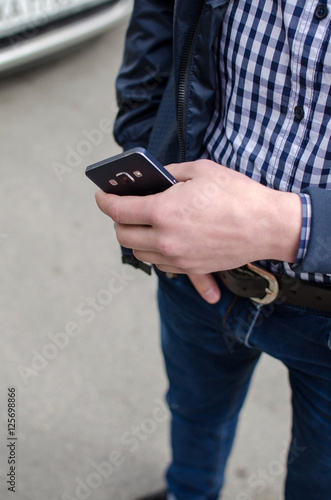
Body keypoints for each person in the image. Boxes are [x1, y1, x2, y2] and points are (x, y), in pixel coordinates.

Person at [95, 1, 331, 499]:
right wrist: (151, 171)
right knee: (194, 414)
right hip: (197, 279)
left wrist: (287, 226)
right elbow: (159, 19)